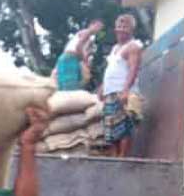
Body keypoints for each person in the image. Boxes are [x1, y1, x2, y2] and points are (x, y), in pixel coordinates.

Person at [98, 14, 143, 158]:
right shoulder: (115, 48)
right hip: (110, 92)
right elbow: (111, 70)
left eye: (125, 26)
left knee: (123, 126)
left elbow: (133, 69)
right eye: (119, 26)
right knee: (111, 128)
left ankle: (122, 157)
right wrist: (102, 87)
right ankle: (115, 158)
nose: (121, 29)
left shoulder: (133, 46)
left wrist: (126, 90)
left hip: (122, 91)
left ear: (132, 29)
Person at [51, 19, 103, 90]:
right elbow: (78, 46)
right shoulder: (87, 32)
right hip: (71, 57)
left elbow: (83, 49)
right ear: (91, 25)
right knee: (70, 85)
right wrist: (84, 60)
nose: (98, 29)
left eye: (100, 28)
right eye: (97, 26)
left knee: (64, 84)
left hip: (67, 57)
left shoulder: (88, 37)